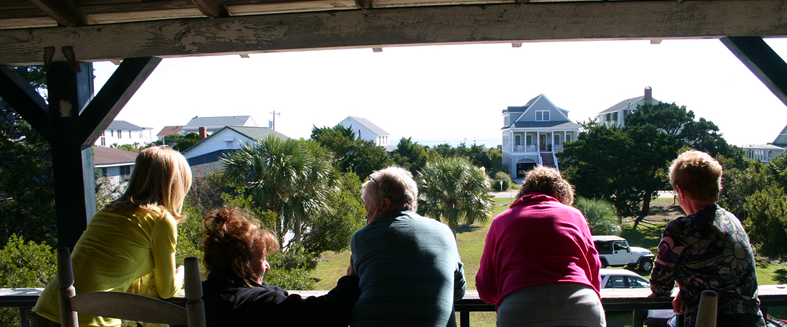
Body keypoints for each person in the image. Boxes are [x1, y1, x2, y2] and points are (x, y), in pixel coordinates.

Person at [31, 146, 192, 327]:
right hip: (90, 316)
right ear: (176, 185)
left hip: (49, 308)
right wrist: (182, 271)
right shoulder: (160, 220)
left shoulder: (108, 211)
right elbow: (167, 289)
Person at [476, 166, 605, 327]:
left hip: (521, 311)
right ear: (559, 195)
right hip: (581, 306)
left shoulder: (501, 221)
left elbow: (486, 288)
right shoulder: (575, 215)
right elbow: (593, 269)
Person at [650, 151, 765, 327]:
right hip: (752, 321)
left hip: (709, 320)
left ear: (680, 190)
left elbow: (660, 287)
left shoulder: (681, 229)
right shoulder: (732, 221)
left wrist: (686, 288)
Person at [200, 207, 359, 326]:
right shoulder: (258, 304)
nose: (267, 267)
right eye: (262, 259)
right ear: (240, 264)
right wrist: (350, 280)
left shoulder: (203, 294)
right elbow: (326, 313)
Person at [349, 166, 466, 327]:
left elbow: (351, 291)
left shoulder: (361, 238)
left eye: (368, 209)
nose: (368, 217)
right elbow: (458, 290)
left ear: (384, 204)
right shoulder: (444, 231)